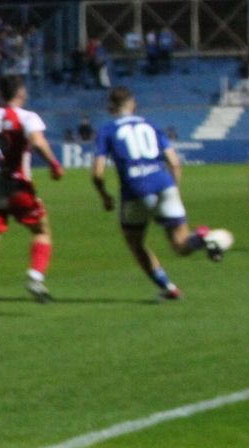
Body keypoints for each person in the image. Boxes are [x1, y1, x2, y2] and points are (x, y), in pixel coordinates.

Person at [91, 86, 225, 299]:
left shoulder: (107, 130)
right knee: (181, 244)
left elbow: (98, 173)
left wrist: (104, 196)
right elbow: (175, 162)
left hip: (136, 190)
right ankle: (202, 239)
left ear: (111, 107)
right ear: (132, 104)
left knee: (135, 243)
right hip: (164, 184)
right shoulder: (151, 124)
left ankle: (168, 288)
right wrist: (173, 190)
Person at [0, 74, 63, 321]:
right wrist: (53, 164)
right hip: (19, 187)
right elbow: (37, 141)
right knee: (41, 230)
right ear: (20, 92)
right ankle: (35, 277)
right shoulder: (28, 117)